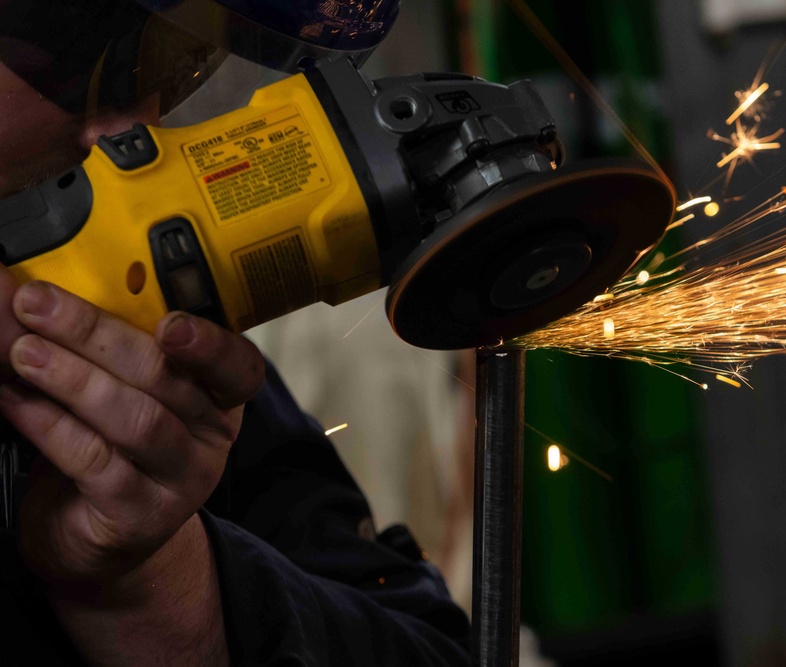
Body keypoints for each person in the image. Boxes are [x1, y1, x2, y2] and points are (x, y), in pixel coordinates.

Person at [0, 0, 471, 664]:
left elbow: (430, 650)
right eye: (74, 58)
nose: (134, 126)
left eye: (176, 65)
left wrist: (155, 590)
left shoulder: (154, 382)